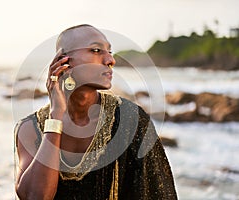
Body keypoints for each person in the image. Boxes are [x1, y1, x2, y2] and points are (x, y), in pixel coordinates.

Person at [14, 24, 177, 200]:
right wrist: (56, 116)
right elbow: (35, 197)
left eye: (110, 52)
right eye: (97, 50)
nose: (110, 60)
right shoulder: (29, 128)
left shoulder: (131, 120)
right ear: (64, 61)